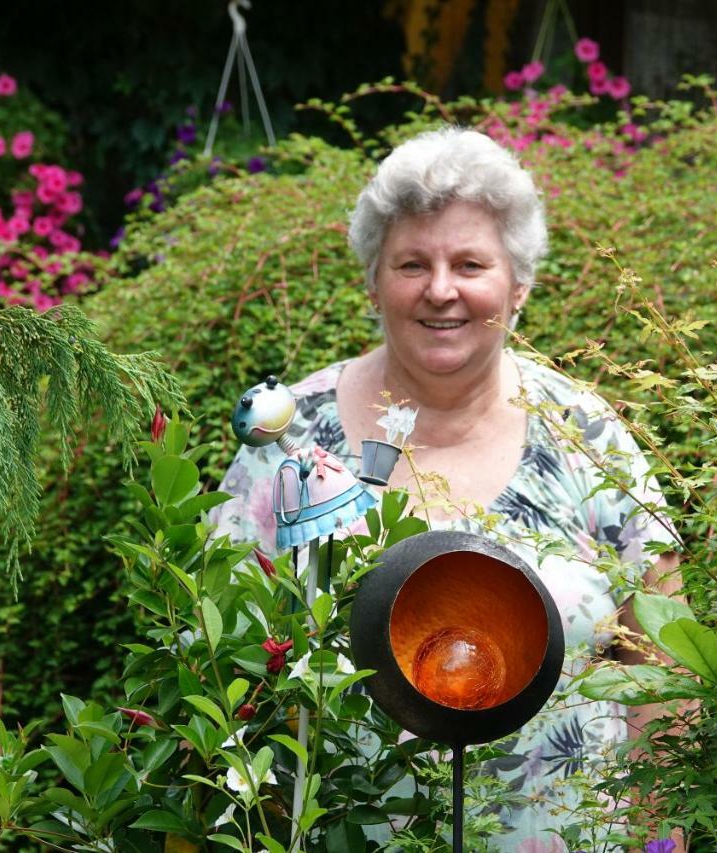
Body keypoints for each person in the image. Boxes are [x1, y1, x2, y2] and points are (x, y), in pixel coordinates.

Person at [210, 127, 680, 851]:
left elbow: (667, 670)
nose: (440, 289)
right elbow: (218, 665)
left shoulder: (587, 433)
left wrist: (663, 839)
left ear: (517, 283)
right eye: (411, 263)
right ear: (373, 279)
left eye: (469, 263)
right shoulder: (290, 443)